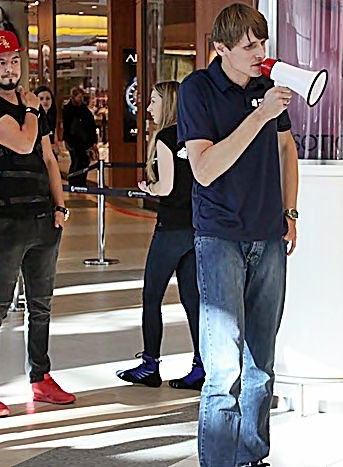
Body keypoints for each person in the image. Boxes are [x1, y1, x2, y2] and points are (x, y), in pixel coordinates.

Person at [177, 4, 298, 467]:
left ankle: (253, 455)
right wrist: (260, 116)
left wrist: (290, 211)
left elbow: (286, 148)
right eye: (248, 45)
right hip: (220, 237)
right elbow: (205, 169)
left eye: (262, 42)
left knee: (261, 365)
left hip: (269, 235)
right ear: (220, 48)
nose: (259, 52)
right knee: (223, 369)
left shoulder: (267, 87)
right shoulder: (197, 89)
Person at [0, 29, 74, 418]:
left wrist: (60, 207)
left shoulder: (31, 108)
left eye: (14, 61)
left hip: (43, 220)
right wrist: (31, 109)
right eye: (0, 62)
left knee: (41, 306)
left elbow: (47, 157)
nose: (9, 69)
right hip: (4, 223)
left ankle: (40, 378)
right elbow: (23, 142)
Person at [116, 81, 203, 391]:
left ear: (168, 104)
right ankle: (201, 365)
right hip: (195, 226)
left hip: (170, 229)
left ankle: (150, 364)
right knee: (192, 299)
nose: (149, 107)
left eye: (153, 101)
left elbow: (166, 187)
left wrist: (148, 188)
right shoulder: (196, 134)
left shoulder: (166, 137)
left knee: (152, 296)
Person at [62, 86, 97, 186]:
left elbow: (90, 125)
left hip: (84, 141)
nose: (80, 99)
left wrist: (93, 141)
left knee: (84, 161)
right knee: (77, 161)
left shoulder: (84, 109)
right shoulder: (69, 110)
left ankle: (80, 181)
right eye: (79, 97)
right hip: (74, 141)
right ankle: (74, 182)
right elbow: (67, 126)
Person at [34, 85, 59, 158]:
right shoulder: (34, 117)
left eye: (48, 98)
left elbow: (54, 132)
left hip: (51, 153)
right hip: (38, 154)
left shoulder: (52, 116)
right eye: (41, 99)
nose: (45, 101)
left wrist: (56, 146)